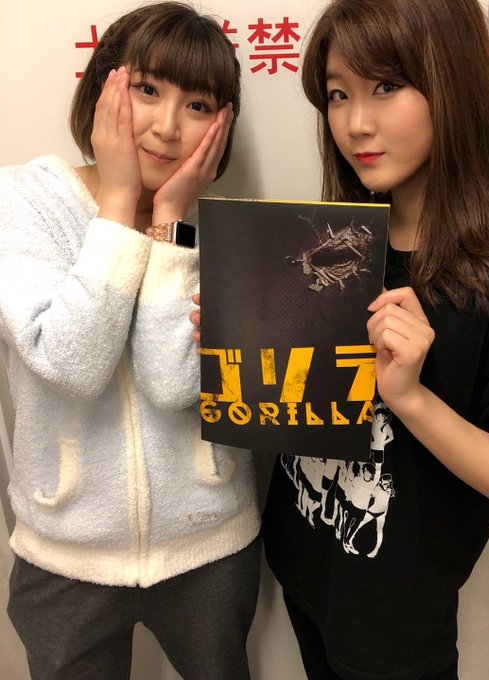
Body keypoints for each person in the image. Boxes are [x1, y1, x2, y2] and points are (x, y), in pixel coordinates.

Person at [261, 0, 489, 678]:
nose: (356, 122)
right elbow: (301, 399)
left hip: (394, 619)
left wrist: (409, 397)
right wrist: (241, 344)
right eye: (337, 94)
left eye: (386, 86)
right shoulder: (332, 241)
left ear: (451, 84)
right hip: (300, 557)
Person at [0, 3, 260, 679]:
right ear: (102, 87)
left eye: (197, 105)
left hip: (210, 543)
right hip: (64, 552)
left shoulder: (222, 233)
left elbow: (173, 385)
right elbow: (70, 361)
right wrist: (118, 206)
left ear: (222, 125)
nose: (168, 126)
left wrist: (170, 219)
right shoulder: (20, 200)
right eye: (147, 89)